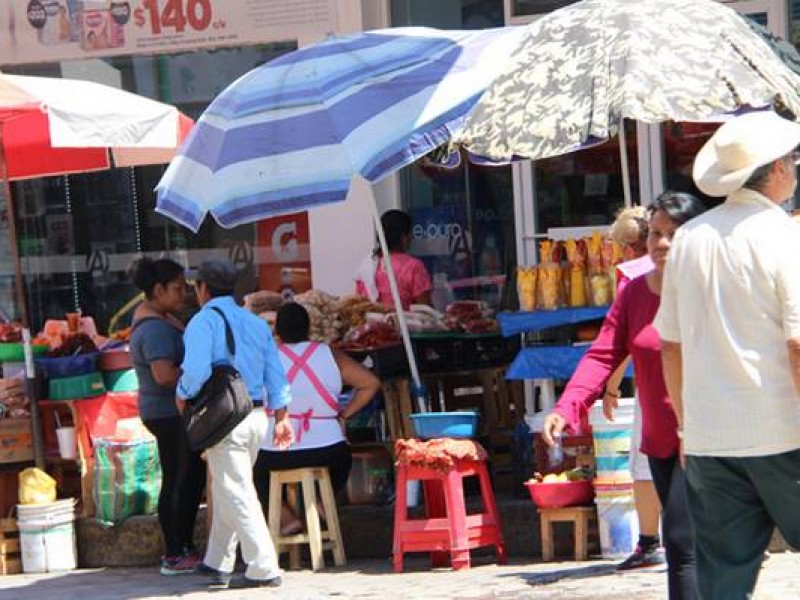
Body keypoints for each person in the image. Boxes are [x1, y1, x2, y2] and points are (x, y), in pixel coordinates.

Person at [654, 111, 800, 599]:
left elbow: (669, 345)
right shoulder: (785, 236)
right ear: (777, 170)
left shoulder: (690, 239)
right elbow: (798, 344)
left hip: (711, 436)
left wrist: (685, 425)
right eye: (793, 162)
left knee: (722, 579)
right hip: (782, 430)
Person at [544, 192, 707, 600]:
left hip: (715, 437)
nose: (661, 244)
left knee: (699, 543)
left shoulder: (716, 288)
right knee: (684, 544)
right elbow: (602, 353)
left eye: (673, 234)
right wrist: (569, 405)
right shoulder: (634, 294)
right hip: (664, 442)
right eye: (655, 234)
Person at [177, 259, 294, 590]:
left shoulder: (202, 323)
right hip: (257, 418)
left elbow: (196, 371)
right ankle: (218, 561)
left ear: (203, 289)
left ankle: (263, 566)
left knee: (236, 491)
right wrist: (282, 416)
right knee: (226, 486)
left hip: (224, 418)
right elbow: (276, 373)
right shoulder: (256, 324)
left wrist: (182, 395)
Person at [253, 303, 380, 533]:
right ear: (309, 330)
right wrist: (343, 415)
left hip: (276, 452)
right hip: (328, 451)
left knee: (255, 472)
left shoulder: (265, 358)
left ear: (277, 334)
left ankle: (285, 517)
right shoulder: (329, 354)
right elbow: (370, 383)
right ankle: (321, 501)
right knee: (343, 461)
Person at [129, 257, 205, 575]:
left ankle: (182, 547)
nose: (184, 294)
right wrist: (198, 373)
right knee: (181, 479)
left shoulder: (160, 319)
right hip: (166, 412)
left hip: (165, 412)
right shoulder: (156, 329)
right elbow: (163, 375)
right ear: (157, 290)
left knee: (182, 477)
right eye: (177, 288)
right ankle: (175, 551)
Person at [607, 206, 664, 571]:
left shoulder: (631, 276)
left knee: (644, 465)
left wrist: (611, 385)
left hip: (652, 383)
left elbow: (626, 338)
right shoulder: (680, 267)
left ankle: (647, 540)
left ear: (629, 248)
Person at [355, 209, 432, 309]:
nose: (411, 238)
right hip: (403, 323)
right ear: (404, 237)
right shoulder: (413, 267)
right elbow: (425, 310)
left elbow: (358, 303)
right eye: (410, 233)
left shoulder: (366, 266)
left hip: (372, 323)